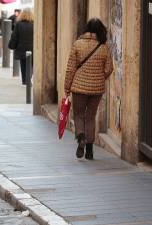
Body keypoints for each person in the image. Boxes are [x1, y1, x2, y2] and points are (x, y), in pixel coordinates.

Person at [64, 18, 113, 160]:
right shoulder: (103, 47)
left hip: (79, 87)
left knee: (78, 114)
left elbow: (70, 69)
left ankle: (81, 138)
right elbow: (109, 68)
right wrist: (99, 77)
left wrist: (67, 87)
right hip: (96, 89)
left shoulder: (77, 44)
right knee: (90, 116)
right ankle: (90, 151)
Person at [8, 8, 34, 85]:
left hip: (21, 49)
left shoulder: (19, 24)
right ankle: (29, 79)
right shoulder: (34, 24)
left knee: (23, 65)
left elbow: (14, 37)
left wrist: (11, 45)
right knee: (31, 65)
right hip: (32, 49)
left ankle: (24, 81)